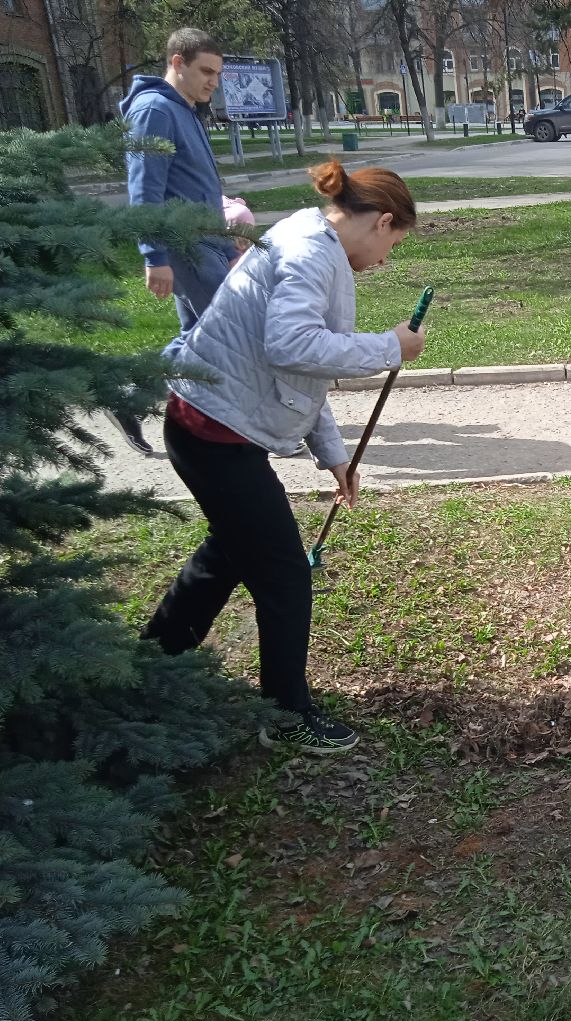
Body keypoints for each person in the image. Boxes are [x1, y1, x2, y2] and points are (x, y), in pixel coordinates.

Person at [142, 162, 427, 755]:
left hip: (210, 424)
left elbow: (297, 370)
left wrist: (332, 455)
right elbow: (292, 345)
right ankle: (286, 714)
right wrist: (387, 347)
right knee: (284, 574)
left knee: (230, 552)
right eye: (392, 245)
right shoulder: (310, 254)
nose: (385, 261)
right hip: (212, 430)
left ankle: (150, 665)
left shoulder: (307, 238)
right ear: (380, 221)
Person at [116, 27, 237, 455]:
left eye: (217, 74)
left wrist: (226, 243)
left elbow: (197, 187)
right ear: (177, 63)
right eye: (206, 71)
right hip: (184, 247)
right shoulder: (155, 111)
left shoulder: (183, 109)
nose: (213, 82)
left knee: (196, 335)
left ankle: (128, 394)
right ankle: (260, 423)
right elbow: (145, 192)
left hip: (206, 244)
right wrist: (155, 256)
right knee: (237, 329)